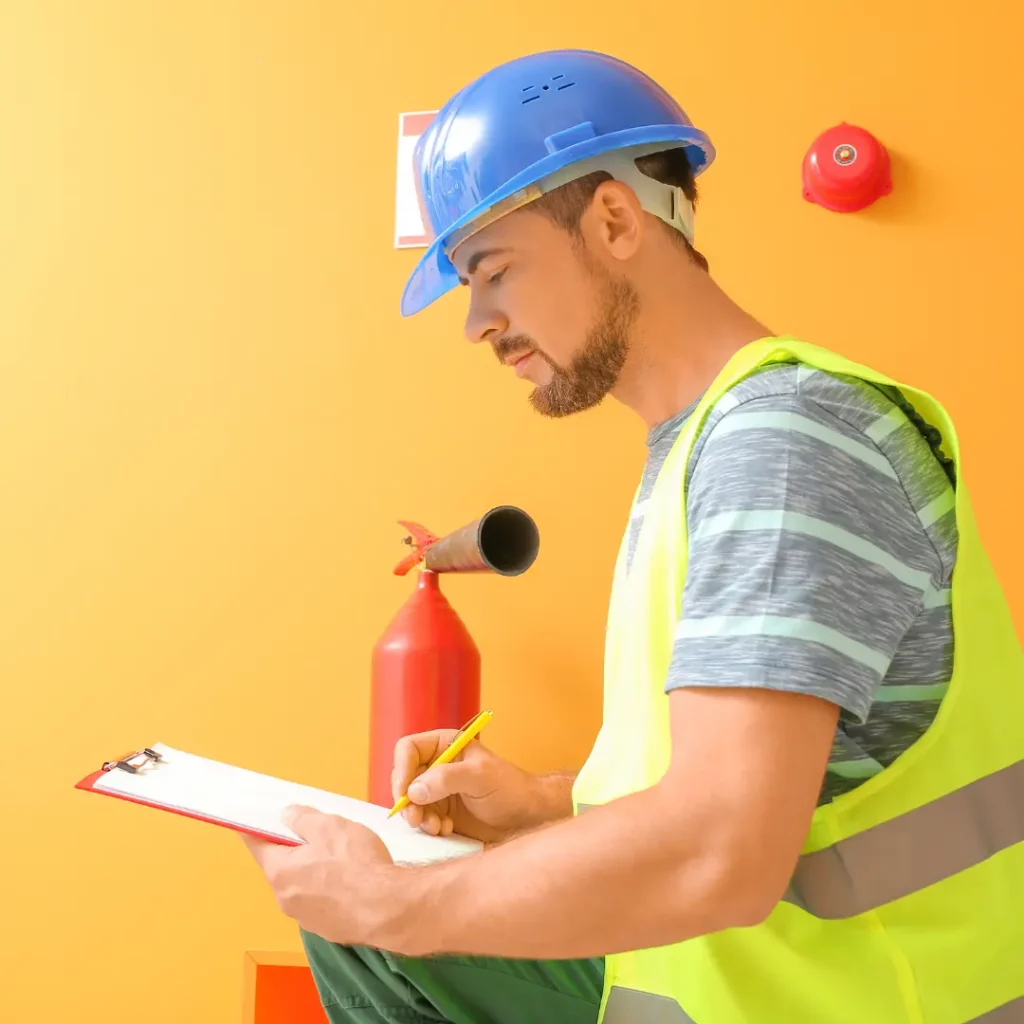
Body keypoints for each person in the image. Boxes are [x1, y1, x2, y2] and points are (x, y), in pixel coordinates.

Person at [244, 49, 1024, 1023]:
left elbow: (722, 847)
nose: (476, 322)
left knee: (371, 925)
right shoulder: (703, 447)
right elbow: (760, 776)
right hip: (731, 984)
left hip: (845, 1000)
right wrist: (546, 802)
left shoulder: (782, 438)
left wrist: (399, 902)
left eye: (489, 270)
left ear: (613, 219)